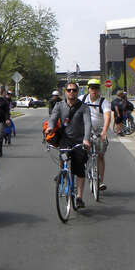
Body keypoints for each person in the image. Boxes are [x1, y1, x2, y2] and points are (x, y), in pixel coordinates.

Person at [48, 81, 91, 209]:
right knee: (63, 157)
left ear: (77, 92)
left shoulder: (83, 107)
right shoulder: (59, 105)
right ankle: (63, 173)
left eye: (74, 90)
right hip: (65, 139)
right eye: (69, 90)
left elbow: (88, 123)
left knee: (79, 169)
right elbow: (53, 118)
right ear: (65, 92)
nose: (71, 92)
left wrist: (86, 139)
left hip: (79, 140)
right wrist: (50, 127)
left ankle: (79, 197)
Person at [81, 79, 110, 191]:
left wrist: (104, 131)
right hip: (85, 130)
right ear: (88, 89)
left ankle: (100, 181)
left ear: (99, 90)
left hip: (99, 131)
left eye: (96, 88)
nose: (94, 90)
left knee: (100, 155)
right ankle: (85, 170)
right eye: (92, 88)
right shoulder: (82, 99)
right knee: (82, 153)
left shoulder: (104, 102)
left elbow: (107, 116)